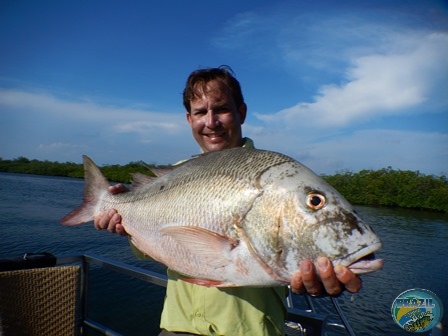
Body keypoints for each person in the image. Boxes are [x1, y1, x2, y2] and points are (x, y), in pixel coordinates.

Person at [94, 66, 361, 335]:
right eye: (200, 112)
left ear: (241, 112)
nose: (211, 122)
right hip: (179, 325)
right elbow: (159, 243)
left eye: (221, 109)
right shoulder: (172, 175)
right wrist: (125, 225)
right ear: (189, 119)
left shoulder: (275, 178)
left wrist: (321, 271)